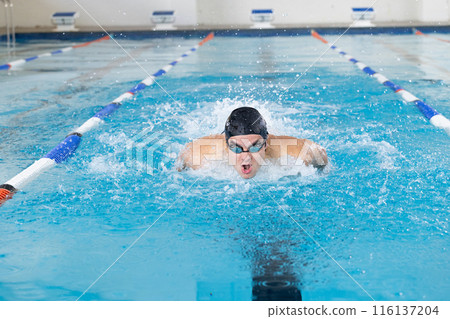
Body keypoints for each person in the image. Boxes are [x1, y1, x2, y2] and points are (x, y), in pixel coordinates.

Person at [177, 107, 328, 179]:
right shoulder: (197, 154)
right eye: (236, 148)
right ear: (225, 145)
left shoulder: (296, 152)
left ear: (266, 144)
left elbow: (321, 154)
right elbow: (179, 165)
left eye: (255, 147)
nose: (246, 158)